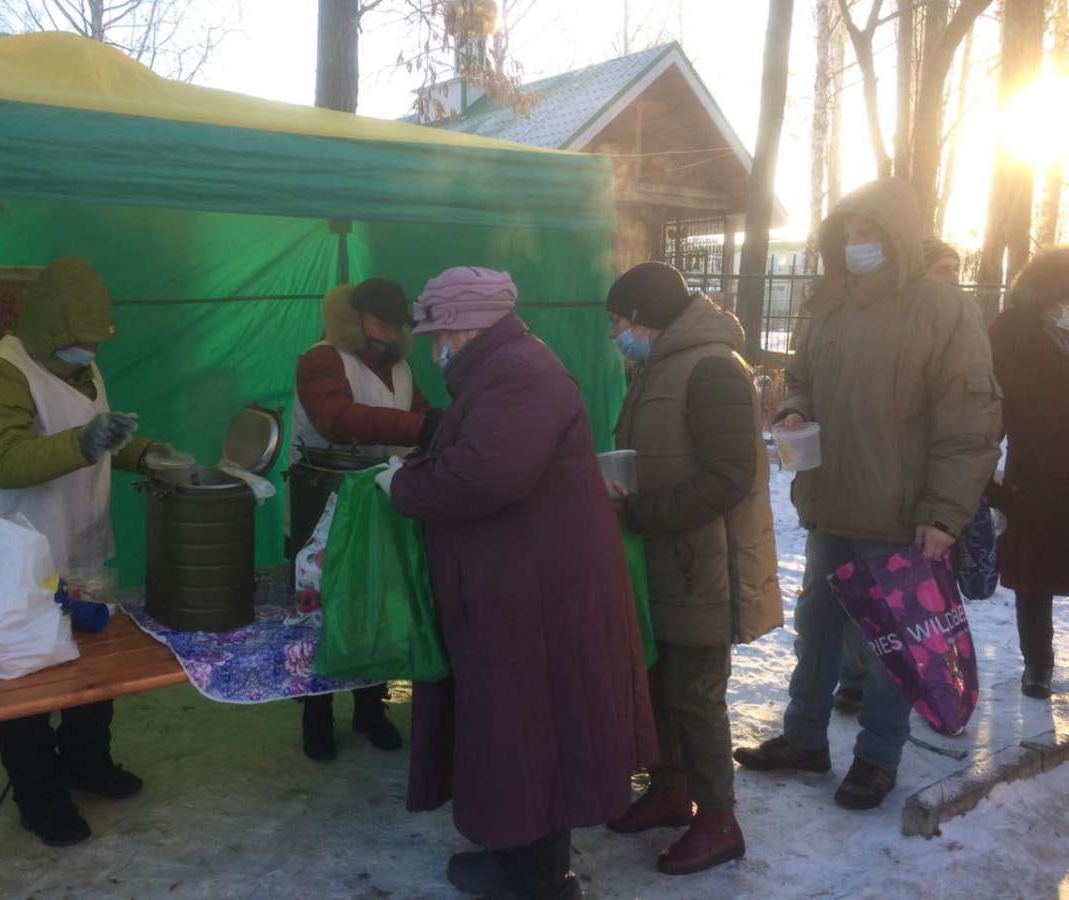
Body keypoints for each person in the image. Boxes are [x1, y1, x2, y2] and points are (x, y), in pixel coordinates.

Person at [380, 267, 657, 900]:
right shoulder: (504, 368)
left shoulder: (521, 374)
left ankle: (539, 879)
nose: (432, 347)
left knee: (533, 733)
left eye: (438, 334)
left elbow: (483, 476)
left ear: (467, 327)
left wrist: (402, 485)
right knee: (512, 732)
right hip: (521, 586)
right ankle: (515, 858)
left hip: (537, 598)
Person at [734, 179, 1001, 811]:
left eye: (870, 235)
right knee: (817, 628)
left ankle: (879, 757)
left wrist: (943, 514)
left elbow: (970, 421)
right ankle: (803, 738)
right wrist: (795, 411)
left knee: (892, 647)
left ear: (898, 238)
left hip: (902, 518)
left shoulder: (941, 309)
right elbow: (801, 377)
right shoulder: (828, 303)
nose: (857, 246)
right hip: (830, 500)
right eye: (848, 235)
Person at [0, 258, 177, 847]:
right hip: (16, 559)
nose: (90, 351)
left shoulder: (83, 368)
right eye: (81, 340)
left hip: (80, 544)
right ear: (50, 327)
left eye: (96, 341)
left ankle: (87, 762)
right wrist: (84, 442)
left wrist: (147, 452)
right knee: (26, 683)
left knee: (90, 669)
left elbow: (99, 438)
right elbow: (4, 461)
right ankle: (39, 795)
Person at [602, 263, 783, 875]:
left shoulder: (711, 369)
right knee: (660, 686)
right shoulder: (659, 365)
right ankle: (672, 789)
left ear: (645, 316)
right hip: (665, 564)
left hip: (703, 568)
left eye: (618, 322)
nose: (614, 335)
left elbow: (731, 476)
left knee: (696, 695)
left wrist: (645, 511)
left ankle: (719, 821)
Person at [290, 278, 441, 761]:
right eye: (380, 323)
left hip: (379, 500)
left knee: (378, 600)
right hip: (324, 501)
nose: (390, 335)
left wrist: (447, 424)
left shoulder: (400, 367)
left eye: (397, 326)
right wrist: (422, 427)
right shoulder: (320, 361)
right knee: (323, 608)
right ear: (354, 320)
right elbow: (339, 418)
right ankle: (316, 717)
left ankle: (370, 709)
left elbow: (419, 412)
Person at [829, 235, 966, 716]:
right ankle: (852, 681)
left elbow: (967, 425)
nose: (950, 279)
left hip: (911, 503)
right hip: (849, 496)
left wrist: (944, 510)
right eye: (941, 268)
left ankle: (889, 736)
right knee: (846, 607)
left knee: (906, 620)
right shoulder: (874, 317)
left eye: (955, 268)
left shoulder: (955, 325)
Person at [986, 247, 1069, 700]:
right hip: (1033, 475)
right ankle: (1037, 663)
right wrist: (986, 476)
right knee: (1034, 575)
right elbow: (992, 401)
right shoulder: (1012, 332)